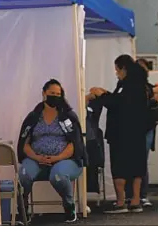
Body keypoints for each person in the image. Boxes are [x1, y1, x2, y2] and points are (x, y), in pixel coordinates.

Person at [17, 79, 88, 223]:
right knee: (24, 174)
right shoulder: (34, 117)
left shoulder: (68, 117)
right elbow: (25, 144)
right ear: (44, 93)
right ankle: (23, 209)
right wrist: (37, 157)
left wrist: (57, 158)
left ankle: (69, 206)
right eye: (51, 93)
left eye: (58, 94)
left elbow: (74, 144)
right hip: (37, 159)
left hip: (65, 160)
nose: (55, 96)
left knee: (59, 176)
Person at [89, 54, 149, 214]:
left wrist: (102, 94)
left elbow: (118, 104)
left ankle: (121, 201)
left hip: (121, 133)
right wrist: (107, 94)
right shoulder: (139, 84)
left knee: (120, 166)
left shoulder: (127, 85)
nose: (116, 73)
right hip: (137, 131)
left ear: (123, 68)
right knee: (137, 165)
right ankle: (135, 200)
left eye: (117, 70)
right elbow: (120, 100)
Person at [125, 58, 158, 207]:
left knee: (140, 161)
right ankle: (134, 195)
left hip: (145, 128)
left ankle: (140, 195)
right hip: (139, 128)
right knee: (135, 161)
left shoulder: (150, 88)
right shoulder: (139, 88)